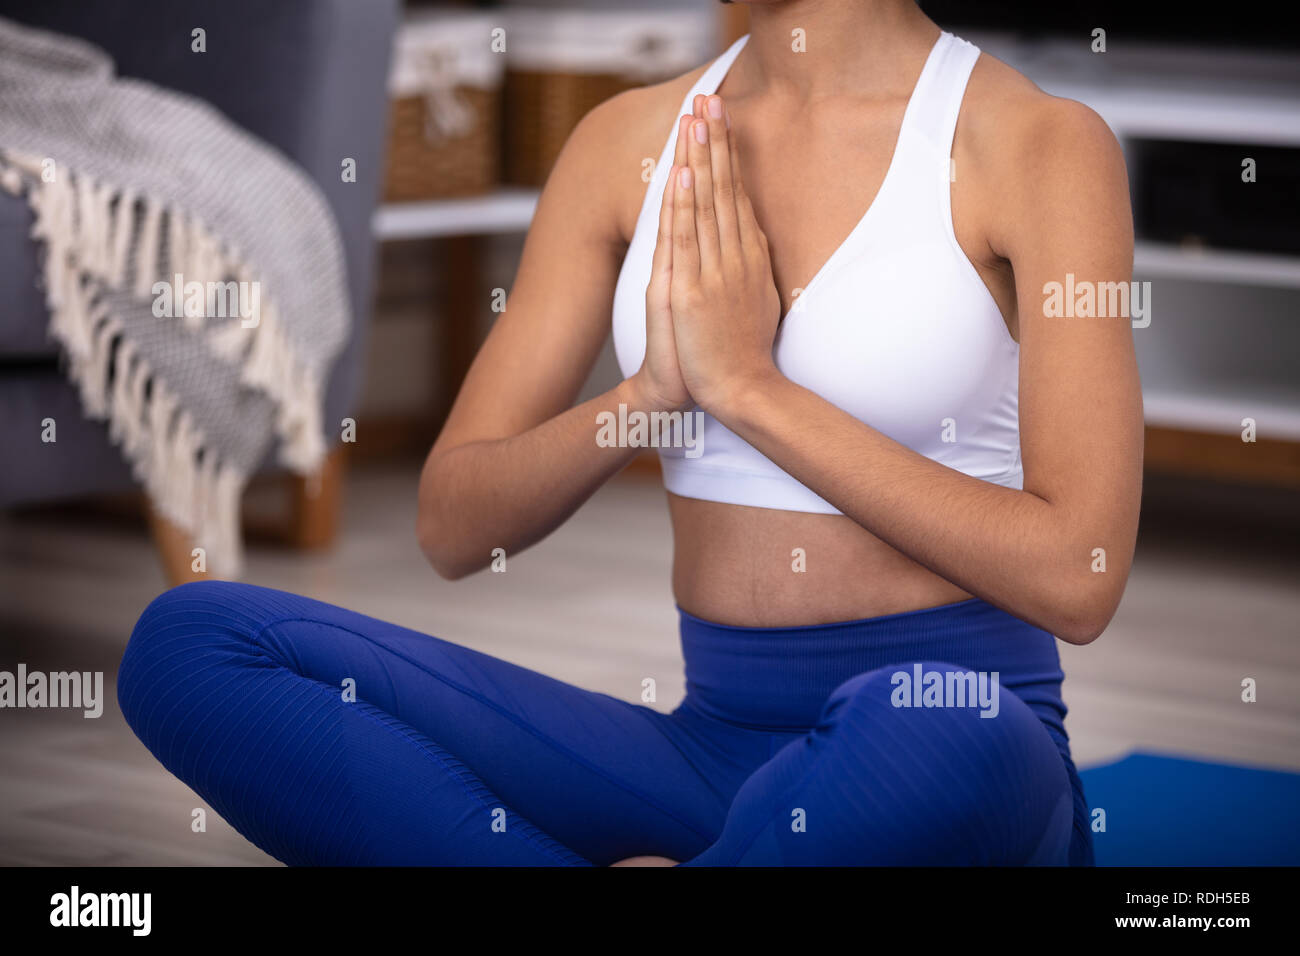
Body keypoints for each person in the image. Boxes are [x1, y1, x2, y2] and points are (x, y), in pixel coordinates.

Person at [119, 0, 1142, 866]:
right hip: (704, 762)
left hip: (945, 751)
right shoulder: (626, 140)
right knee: (193, 641)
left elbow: (1078, 575)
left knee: (937, 717)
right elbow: (453, 523)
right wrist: (649, 393)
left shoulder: (1036, 145)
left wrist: (748, 388)